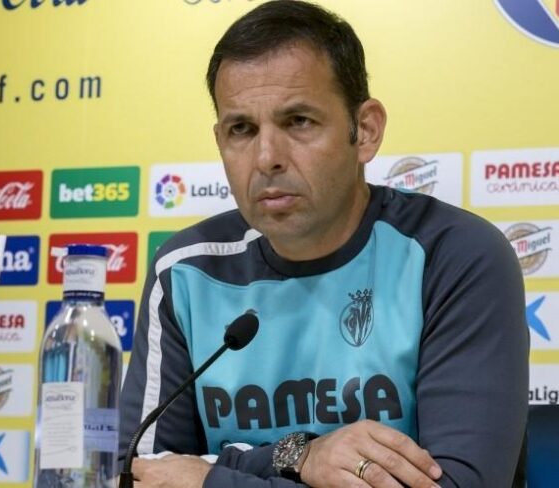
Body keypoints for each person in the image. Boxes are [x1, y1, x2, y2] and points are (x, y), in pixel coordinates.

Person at [119, 1, 528, 487]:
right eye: (241, 129)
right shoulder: (186, 271)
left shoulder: (454, 256)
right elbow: (141, 474)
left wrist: (215, 479)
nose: (267, 157)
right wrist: (298, 456)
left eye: (298, 121)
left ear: (365, 131)